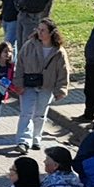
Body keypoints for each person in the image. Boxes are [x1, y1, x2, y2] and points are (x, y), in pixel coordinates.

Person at [14, 19, 69, 152]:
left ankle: (35, 138)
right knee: (26, 113)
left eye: (43, 30)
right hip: (29, 85)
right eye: (38, 29)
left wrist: (61, 89)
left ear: (51, 33)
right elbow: (20, 64)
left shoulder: (59, 52)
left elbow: (63, 71)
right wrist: (18, 83)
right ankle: (23, 141)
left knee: (39, 114)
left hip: (47, 87)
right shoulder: (29, 45)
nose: (39, 32)